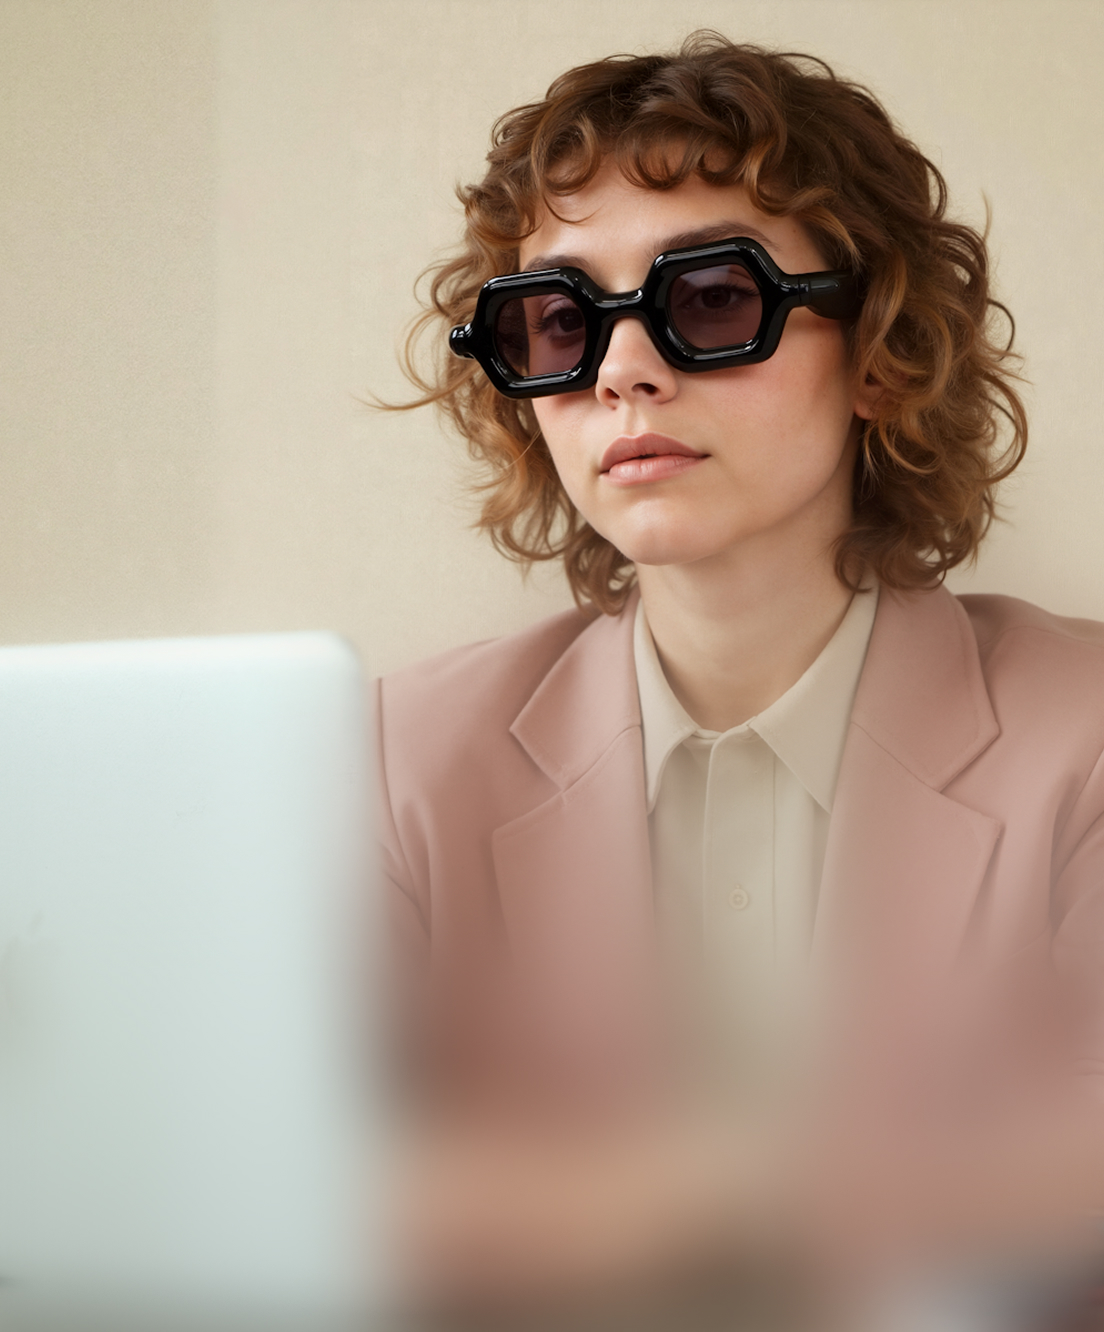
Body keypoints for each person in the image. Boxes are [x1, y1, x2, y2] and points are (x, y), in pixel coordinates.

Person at [375, 32, 1104, 1315]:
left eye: (710, 299)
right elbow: (288, 1179)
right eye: (557, 320)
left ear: (877, 352)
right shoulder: (397, 758)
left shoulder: (1084, 734)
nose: (621, 370)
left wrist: (686, 1193)